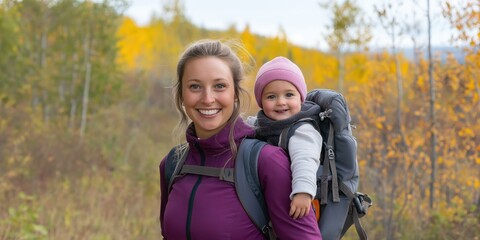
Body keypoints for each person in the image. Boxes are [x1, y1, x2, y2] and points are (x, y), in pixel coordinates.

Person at [159, 40, 321, 240]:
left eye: (219, 86)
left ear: (235, 94)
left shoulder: (266, 162)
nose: (208, 98)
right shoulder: (173, 164)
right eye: (195, 86)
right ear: (181, 95)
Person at [248, 56, 323, 220]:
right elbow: (245, 127)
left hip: (296, 202)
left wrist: (303, 192)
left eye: (289, 95)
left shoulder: (302, 130)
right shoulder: (263, 123)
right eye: (271, 97)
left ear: (301, 98)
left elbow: (305, 160)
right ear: (261, 101)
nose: (281, 102)